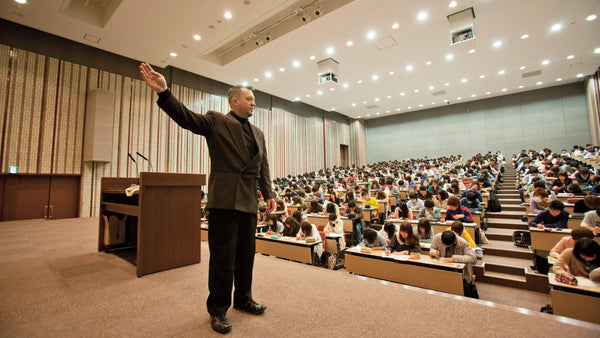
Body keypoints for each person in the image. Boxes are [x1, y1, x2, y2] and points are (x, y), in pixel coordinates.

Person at [139, 63, 274, 334]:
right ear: (234, 101)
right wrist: (165, 93)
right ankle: (218, 310)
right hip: (224, 200)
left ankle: (244, 299)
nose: (253, 104)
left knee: (247, 255)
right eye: (249, 99)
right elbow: (187, 118)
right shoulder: (216, 121)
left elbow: (263, 166)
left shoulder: (258, 132)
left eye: (254, 101)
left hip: (248, 201)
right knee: (222, 258)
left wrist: (268, 194)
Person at [429, 231, 478, 298]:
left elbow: (473, 259)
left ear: (453, 242)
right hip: (443, 270)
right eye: (444, 244)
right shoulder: (437, 237)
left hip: (458, 273)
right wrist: (434, 252)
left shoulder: (462, 243)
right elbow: (432, 249)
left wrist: (453, 258)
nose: (445, 246)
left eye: (448, 245)